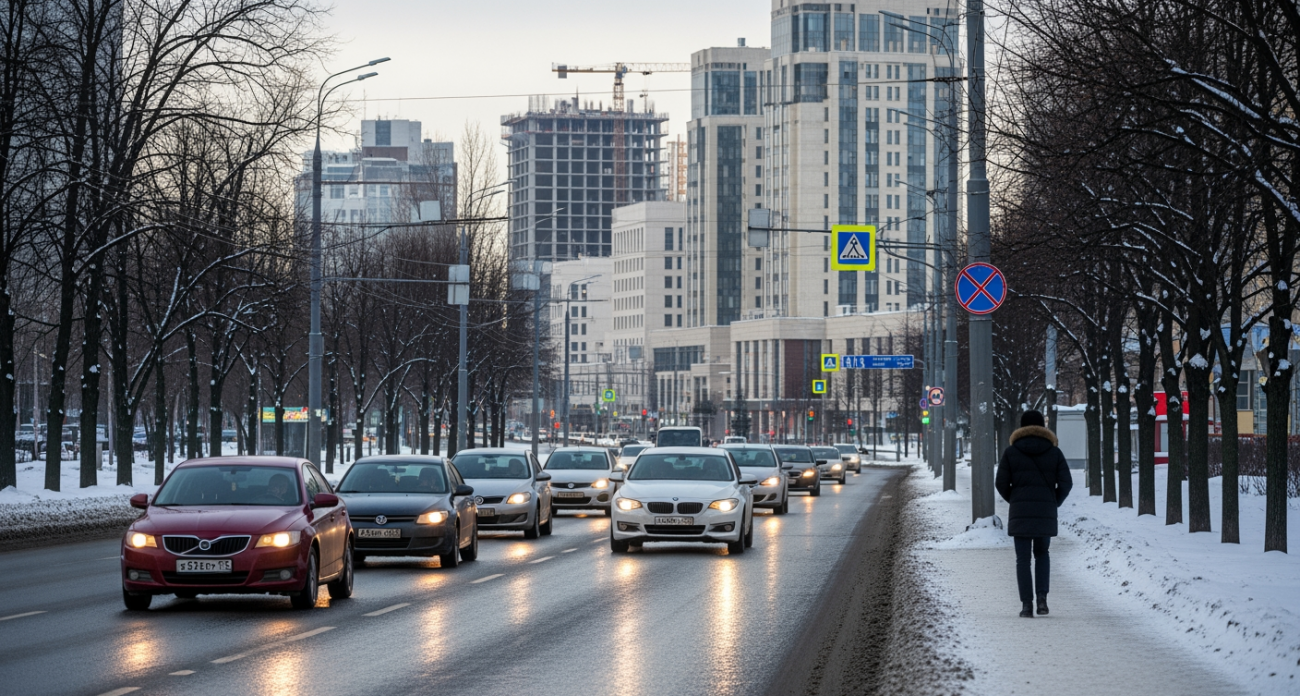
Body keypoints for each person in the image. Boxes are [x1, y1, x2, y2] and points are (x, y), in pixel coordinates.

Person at [995, 410, 1073, 618]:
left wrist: (1015, 500)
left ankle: (1026, 605)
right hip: (1045, 511)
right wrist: (1053, 501)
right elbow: (1066, 482)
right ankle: (1042, 600)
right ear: (1043, 427)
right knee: (1042, 554)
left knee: (1022, 559)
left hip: (1020, 512)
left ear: (1021, 427)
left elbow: (1000, 483)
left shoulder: (1011, 452)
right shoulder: (1054, 452)